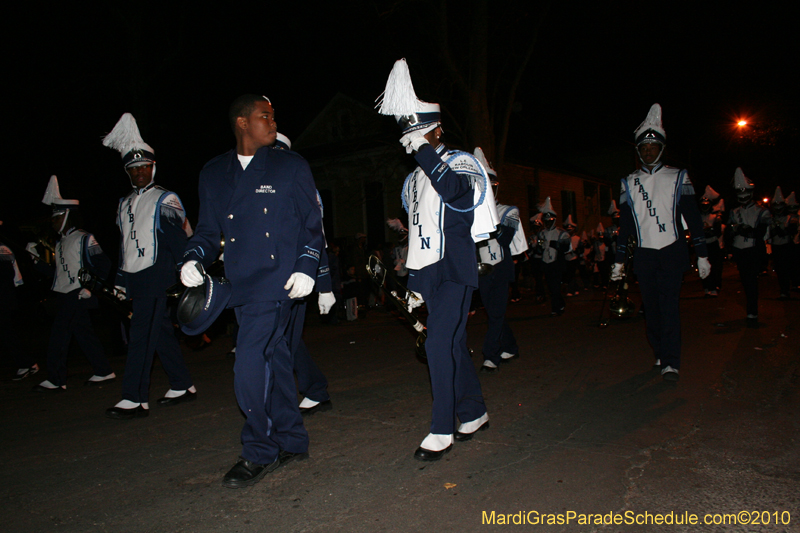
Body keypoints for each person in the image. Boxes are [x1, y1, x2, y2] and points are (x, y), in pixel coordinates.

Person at [181, 94, 323, 488]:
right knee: (274, 359)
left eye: (273, 115)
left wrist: (307, 265)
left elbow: (312, 224)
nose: (273, 122)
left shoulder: (289, 165)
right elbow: (209, 231)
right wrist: (193, 259)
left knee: (247, 361)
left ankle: (259, 450)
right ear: (243, 122)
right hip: (239, 285)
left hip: (277, 282)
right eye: (265, 116)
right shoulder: (213, 173)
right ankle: (292, 440)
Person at [377, 59, 497, 461]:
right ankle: (474, 411)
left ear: (437, 129)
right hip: (426, 272)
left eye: (419, 133)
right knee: (453, 344)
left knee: (438, 343)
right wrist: (412, 286)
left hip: (455, 268)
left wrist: (426, 153)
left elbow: (459, 195)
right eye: (408, 135)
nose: (411, 141)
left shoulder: (462, 161)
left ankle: (441, 428)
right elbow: (418, 234)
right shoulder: (411, 180)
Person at [102, 113, 196, 419]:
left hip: (158, 275)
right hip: (136, 276)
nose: (139, 172)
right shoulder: (123, 203)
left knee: (141, 335)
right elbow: (124, 245)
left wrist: (186, 270)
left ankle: (134, 397)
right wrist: (119, 278)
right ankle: (182, 384)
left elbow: (177, 239)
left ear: (153, 167)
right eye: (133, 168)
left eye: (143, 166)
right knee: (158, 333)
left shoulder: (165, 198)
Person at [612, 104, 710, 381]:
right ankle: (660, 349)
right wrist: (619, 261)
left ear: (662, 148)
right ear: (638, 151)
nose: (648, 151)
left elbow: (692, 217)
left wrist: (702, 254)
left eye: (653, 147)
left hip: (672, 251)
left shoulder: (679, 176)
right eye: (643, 147)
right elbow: (627, 225)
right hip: (645, 254)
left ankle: (671, 361)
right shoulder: (628, 182)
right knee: (651, 310)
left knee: (669, 308)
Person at [29, 176, 115, 392]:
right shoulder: (60, 243)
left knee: (59, 336)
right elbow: (57, 273)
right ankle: (104, 371)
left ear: (67, 216)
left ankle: (57, 380)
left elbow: (103, 264)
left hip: (77, 294)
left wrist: (90, 288)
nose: (53, 221)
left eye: (57, 217)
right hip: (65, 294)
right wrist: (36, 261)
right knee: (84, 335)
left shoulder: (84, 238)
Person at [473, 147, 527, 373]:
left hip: (501, 268)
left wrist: (486, 218)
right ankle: (510, 346)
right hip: (481, 270)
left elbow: (505, 239)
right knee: (495, 312)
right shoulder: (470, 214)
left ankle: (491, 355)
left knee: (495, 312)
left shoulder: (508, 211)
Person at [727, 167, 772, 327]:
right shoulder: (734, 211)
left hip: (753, 251)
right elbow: (731, 234)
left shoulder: (762, 212)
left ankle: (752, 312)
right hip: (740, 251)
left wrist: (742, 230)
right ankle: (750, 311)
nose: (742, 195)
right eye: (740, 192)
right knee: (746, 282)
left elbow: (759, 234)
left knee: (751, 282)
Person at [1, 221, 38, 380]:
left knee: (7, 334)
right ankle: (26, 363)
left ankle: (26, 363)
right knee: (7, 333)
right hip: (6, 298)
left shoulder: (2, 249)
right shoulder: (4, 248)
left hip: (3, 299)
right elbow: (15, 279)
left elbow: (10, 279)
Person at [536, 197, 571, 316]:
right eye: (546, 221)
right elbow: (539, 250)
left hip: (557, 263)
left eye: (550, 220)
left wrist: (552, 244)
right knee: (551, 287)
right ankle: (559, 304)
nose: (548, 223)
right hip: (546, 263)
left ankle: (556, 307)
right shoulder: (541, 233)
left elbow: (566, 248)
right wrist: (539, 246)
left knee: (555, 286)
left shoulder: (562, 233)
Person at [767, 187, 793, 300]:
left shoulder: (789, 218)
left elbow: (788, 232)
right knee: (779, 269)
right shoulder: (771, 219)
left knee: (787, 268)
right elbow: (769, 234)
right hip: (776, 247)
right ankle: (783, 290)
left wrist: (778, 228)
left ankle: (787, 289)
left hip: (787, 246)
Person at [700, 186, 725, 296]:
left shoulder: (715, 216)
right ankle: (706, 286)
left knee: (715, 266)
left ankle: (715, 286)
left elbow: (718, 232)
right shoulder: (698, 217)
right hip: (703, 244)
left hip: (713, 243)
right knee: (703, 266)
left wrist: (710, 230)